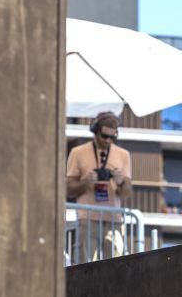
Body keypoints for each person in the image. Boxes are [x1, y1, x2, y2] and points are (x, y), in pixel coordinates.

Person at [66, 111, 133, 262]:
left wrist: (121, 181)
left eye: (113, 137)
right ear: (95, 131)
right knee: (86, 264)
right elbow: (67, 189)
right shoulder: (78, 153)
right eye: (104, 136)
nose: (108, 141)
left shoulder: (124, 155)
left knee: (116, 265)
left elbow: (127, 194)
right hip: (87, 219)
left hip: (114, 220)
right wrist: (86, 182)